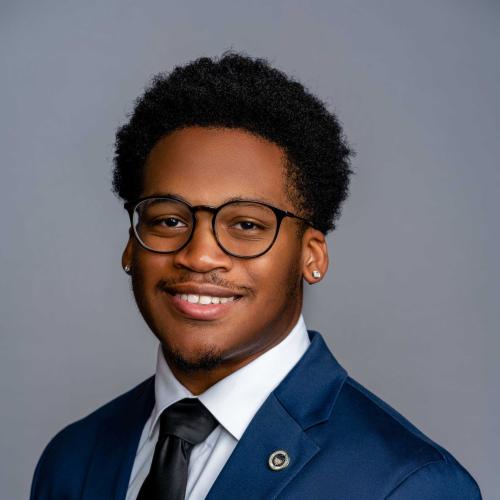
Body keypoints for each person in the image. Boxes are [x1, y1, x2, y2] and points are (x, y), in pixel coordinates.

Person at [30, 52, 481, 499]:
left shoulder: (409, 484)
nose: (200, 255)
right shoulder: (73, 458)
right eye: (169, 220)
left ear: (312, 256)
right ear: (131, 244)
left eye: (247, 225)